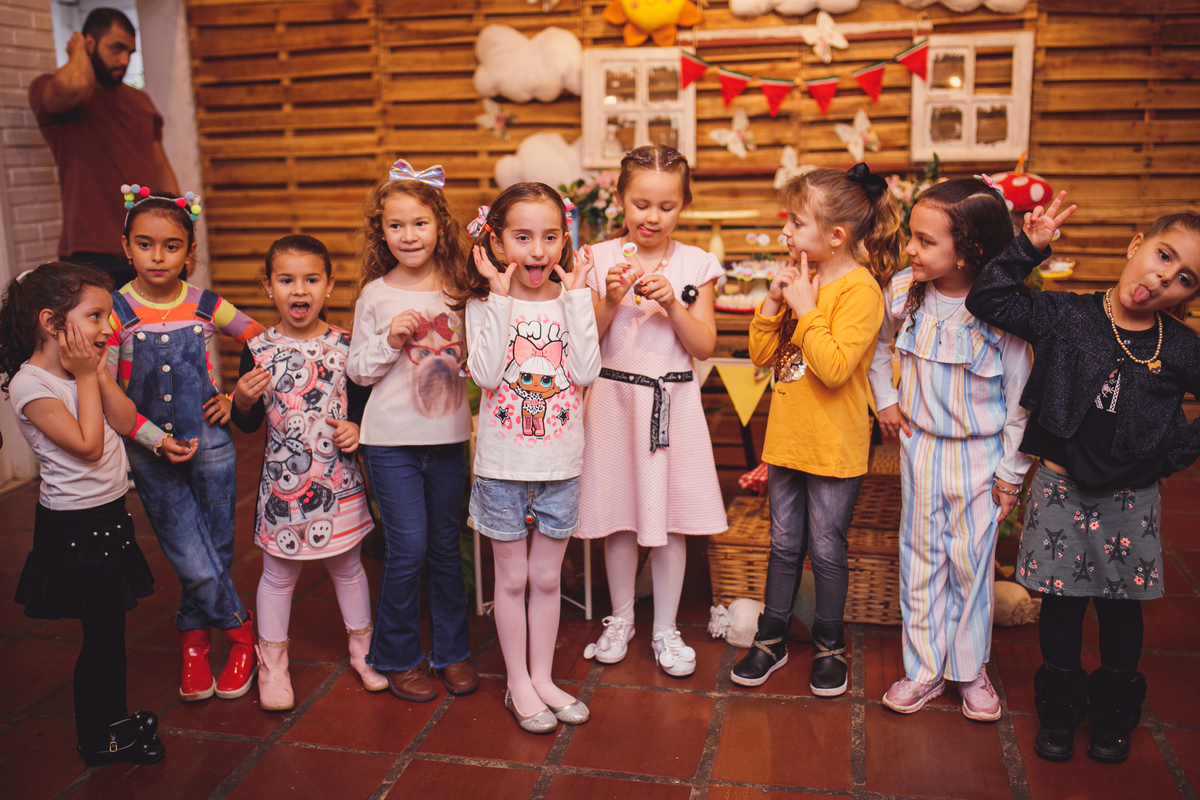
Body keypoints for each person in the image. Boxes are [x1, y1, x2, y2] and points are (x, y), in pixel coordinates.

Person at [968, 202, 1200, 764]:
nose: (1163, 277)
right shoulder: (1066, 316)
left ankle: (1114, 714)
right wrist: (1030, 245)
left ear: (1189, 296)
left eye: (1184, 278)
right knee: (1062, 607)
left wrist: (1167, 456)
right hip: (1059, 489)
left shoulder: (1182, 348)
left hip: (1130, 499)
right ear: (1136, 243)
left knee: (1121, 610)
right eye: (1162, 256)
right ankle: (1060, 710)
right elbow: (987, 298)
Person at [731, 164, 901, 695]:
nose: (785, 233)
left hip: (834, 446)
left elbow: (832, 367)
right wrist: (774, 303)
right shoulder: (797, 280)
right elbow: (762, 356)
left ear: (835, 236)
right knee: (783, 545)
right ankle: (771, 638)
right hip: (787, 441)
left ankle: (830, 645)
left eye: (796, 224)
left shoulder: (861, 292)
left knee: (826, 548)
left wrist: (805, 310)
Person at [868, 178, 1034, 720]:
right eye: (911, 237)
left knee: (971, 562)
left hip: (981, 457)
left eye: (924, 240)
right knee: (920, 558)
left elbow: (1019, 401)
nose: (910, 249)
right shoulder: (902, 293)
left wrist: (1011, 472)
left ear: (971, 252)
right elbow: (876, 347)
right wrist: (887, 398)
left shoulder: (1003, 312)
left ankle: (968, 669)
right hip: (920, 450)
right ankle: (922, 670)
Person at [1, 262, 163, 766]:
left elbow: (118, 418)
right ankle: (101, 737)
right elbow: (91, 447)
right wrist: (88, 375)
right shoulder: (32, 387)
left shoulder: (81, 372)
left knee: (111, 634)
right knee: (101, 641)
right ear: (52, 323)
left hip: (107, 517)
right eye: (96, 316)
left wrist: (95, 371)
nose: (108, 327)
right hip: (76, 529)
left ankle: (112, 722)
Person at [456, 183, 602, 732]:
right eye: (522, 238)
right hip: (501, 469)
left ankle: (542, 677)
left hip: (562, 467)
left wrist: (580, 298)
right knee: (512, 580)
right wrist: (498, 297)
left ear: (565, 240)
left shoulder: (572, 302)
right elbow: (490, 374)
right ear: (496, 242)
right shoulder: (483, 304)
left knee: (547, 578)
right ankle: (517, 681)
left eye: (549, 238)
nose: (537, 251)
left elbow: (586, 372)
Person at [576, 145, 726, 678]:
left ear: (683, 205)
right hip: (615, 401)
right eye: (641, 203)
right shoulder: (594, 258)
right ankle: (620, 618)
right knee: (618, 517)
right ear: (619, 198)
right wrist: (610, 300)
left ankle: (665, 627)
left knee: (672, 521)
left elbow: (704, 345)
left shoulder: (696, 264)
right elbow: (582, 343)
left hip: (672, 403)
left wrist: (674, 306)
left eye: (666, 206)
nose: (652, 217)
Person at [107, 193, 263, 703]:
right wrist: (146, 435)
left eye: (171, 246)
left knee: (217, 543)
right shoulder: (116, 311)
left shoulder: (205, 303)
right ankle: (241, 630)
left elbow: (260, 339)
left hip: (211, 439)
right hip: (149, 450)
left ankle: (194, 643)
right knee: (189, 552)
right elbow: (106, 388)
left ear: (189, 253)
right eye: (145, 244)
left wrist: (231, 396)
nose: (158, 256)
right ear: (126, 248)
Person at [231, 235, 387, 712]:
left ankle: (363, 652)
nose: (299, 290)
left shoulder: (346, 347)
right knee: (277, 575)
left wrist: (357, 429)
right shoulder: (256, 348)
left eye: (311, 279)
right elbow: (249, 423)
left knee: (348, 567)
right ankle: (272, 665)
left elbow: (363, 410)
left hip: (338, 484)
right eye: (286, 280)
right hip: (283, 491)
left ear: (329, 284)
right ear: (268, 286)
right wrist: (240, 399)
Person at [347, 159, 477, 703]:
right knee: (409, 548)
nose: (409, 235)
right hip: (390, 443)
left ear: (439, 226)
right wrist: (389, 341)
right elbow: (356, 369)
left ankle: (452, 652)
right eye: (396, 225)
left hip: (448, 441)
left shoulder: (459, 291)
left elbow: (479, 359)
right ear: (381, 231)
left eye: (419, 223)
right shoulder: (375, 295)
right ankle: (397, 655)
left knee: (448, 546)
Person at [29, 9, 179, 288]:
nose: (124, 60)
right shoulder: (52, 90)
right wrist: (77, 52)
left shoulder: (139, 101)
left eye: (130, 52)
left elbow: (162, 172)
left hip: (148, 248)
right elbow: (77, 83)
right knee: (99, 332)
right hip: (91, 251)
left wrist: (179, 234)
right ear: (89, 43)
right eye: (116, 48)